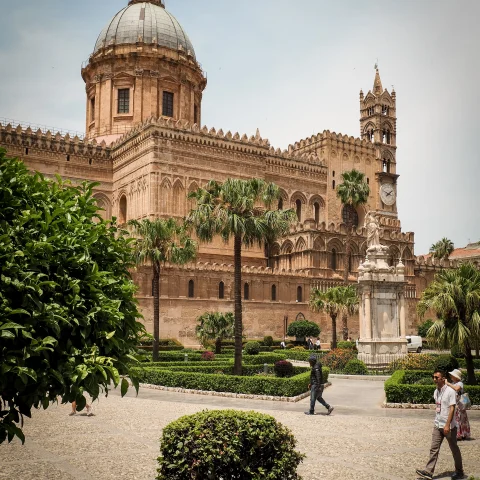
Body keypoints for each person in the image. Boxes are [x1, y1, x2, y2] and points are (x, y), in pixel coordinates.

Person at [415, 370, 464, 480]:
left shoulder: (450, 391)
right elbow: (439, 408)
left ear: (443, 378)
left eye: (437, 377)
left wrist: (447, 425)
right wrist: (437, 422)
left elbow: (452, 408)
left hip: (449, 426)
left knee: (454, 449)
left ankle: (459, 471)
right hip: (438, 424)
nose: (434, 379)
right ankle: (428, 472)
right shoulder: (436, 392)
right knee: (434, 448)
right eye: (433, 377)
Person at [446, 369, 471, 441]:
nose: (451, 376)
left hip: (459, 404)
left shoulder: (460, 383)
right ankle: (458, 434)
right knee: (456, 419)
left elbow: (457, 389)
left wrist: (448, 384)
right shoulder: (453, 383)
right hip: (454, 403)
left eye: (452, 375)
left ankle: (462, 434)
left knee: (460, 419)